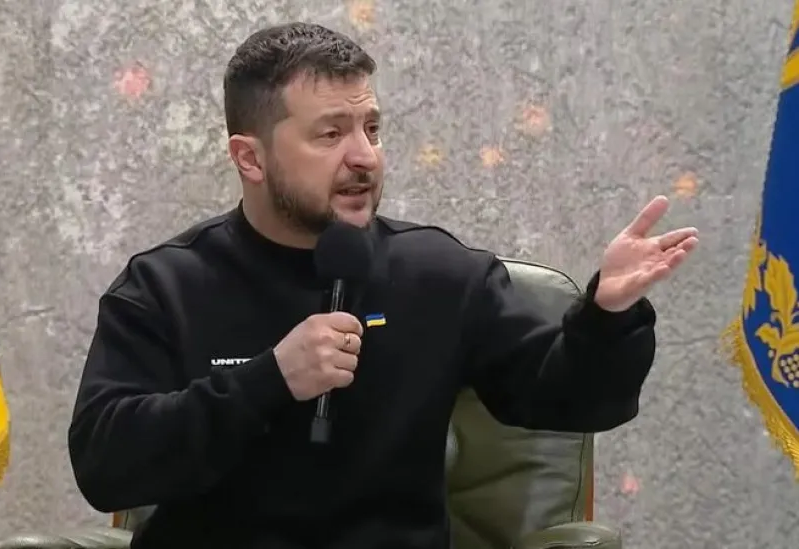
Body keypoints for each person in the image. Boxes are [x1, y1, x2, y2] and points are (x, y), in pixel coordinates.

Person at [67, 22, 698, 549]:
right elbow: (105, 466)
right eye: (330, 133)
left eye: (371, 128)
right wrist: (268, 380)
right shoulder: (166, 284)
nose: (364, 156)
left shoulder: (439, 275)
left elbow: (573, 400)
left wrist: (608, 316)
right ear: (250, 158)